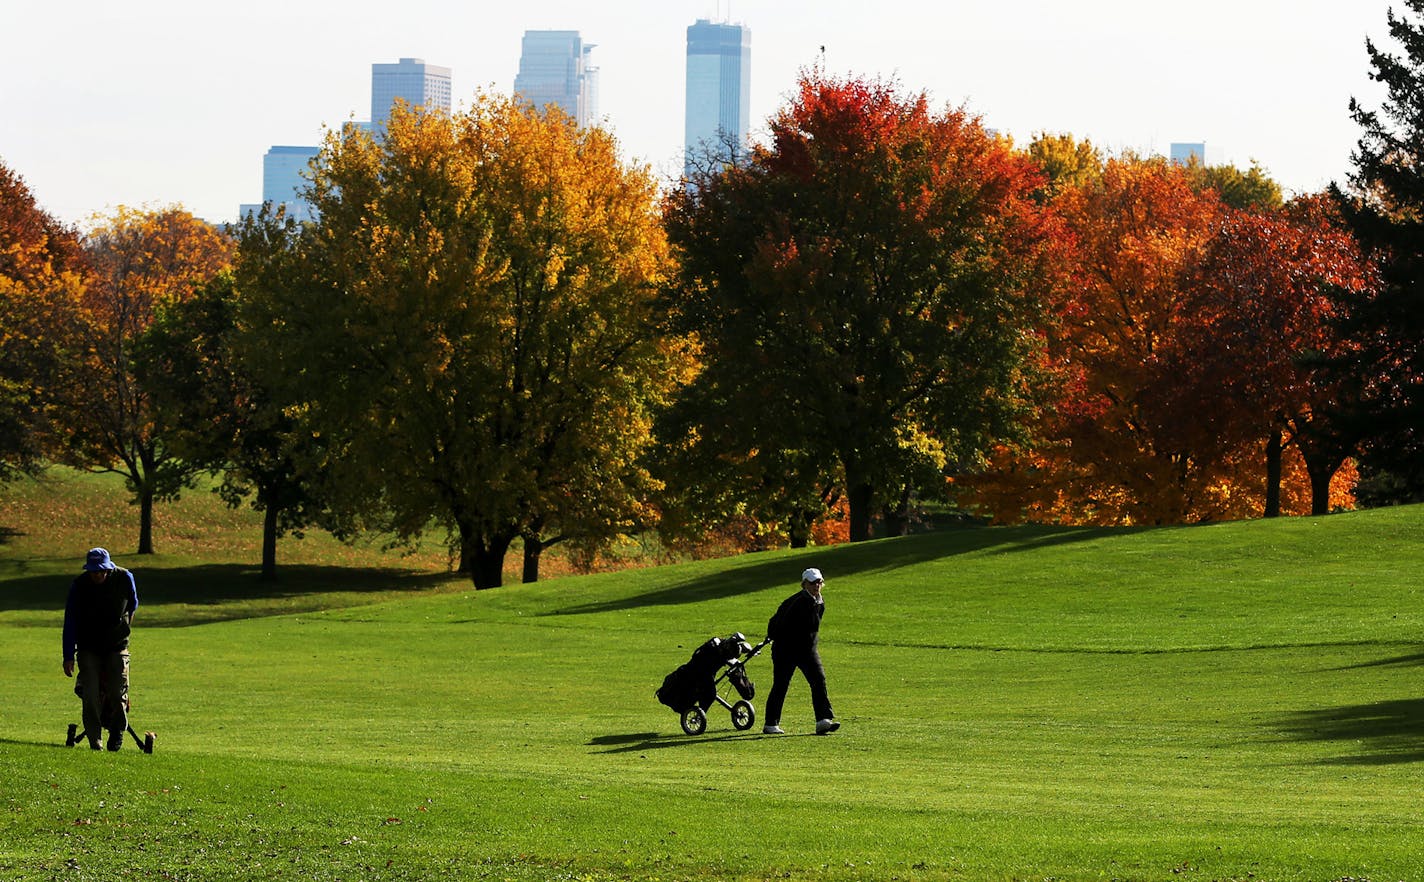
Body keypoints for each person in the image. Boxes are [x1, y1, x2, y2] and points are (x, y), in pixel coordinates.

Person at [62, 548, 139, 751]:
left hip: (117, 646)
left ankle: (117, 730)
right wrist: (68, 655)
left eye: (100, 571)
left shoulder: (124, 578)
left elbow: (133, 604)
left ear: (108, 568)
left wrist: (124, 627)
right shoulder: (79, 585)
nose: (97, 575)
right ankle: (95, 742)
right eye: (93, 571)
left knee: (117, 690)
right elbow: (70, 620)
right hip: (88, 647)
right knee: (90, 694)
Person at [762, 566, 839, 735]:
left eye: (819, 582)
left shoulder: (819, 601)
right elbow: (778, 625)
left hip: (807, 650)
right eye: (812, 583)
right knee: (781, 685)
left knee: (818, 680)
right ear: (804, 584)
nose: (816, 586)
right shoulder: (798, 602)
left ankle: (823, 720)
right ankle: (770, 724)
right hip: (786, 650)